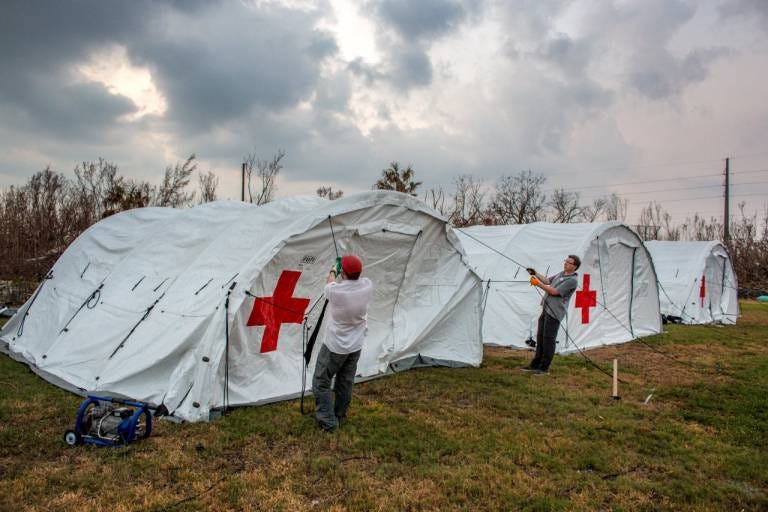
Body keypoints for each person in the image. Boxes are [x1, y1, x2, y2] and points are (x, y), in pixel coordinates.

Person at [312, 254, 373, 432]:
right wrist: (345, 271)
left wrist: (334, 269)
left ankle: (328, 422)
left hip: (335, 346)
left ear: (343, 274)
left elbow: (330, 279)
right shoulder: (367, 285)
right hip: (356, 345)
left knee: (321, 382)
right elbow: (350, 279)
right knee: (345, 381)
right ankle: (339, 414)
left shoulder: (335, 291)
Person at [522, 254, 581, 375]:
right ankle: (535, 364)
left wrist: (537, 284)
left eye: (569, 262)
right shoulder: (561, 274)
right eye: (566, 261)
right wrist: (535, 273)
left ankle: (544, 368)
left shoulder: (572, 280)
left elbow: (554, 291)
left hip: (555, 312)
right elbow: (548, 281)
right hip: (546, 309)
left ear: (575, 267)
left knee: (548, 340)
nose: (565, 263)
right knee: (540, 337)